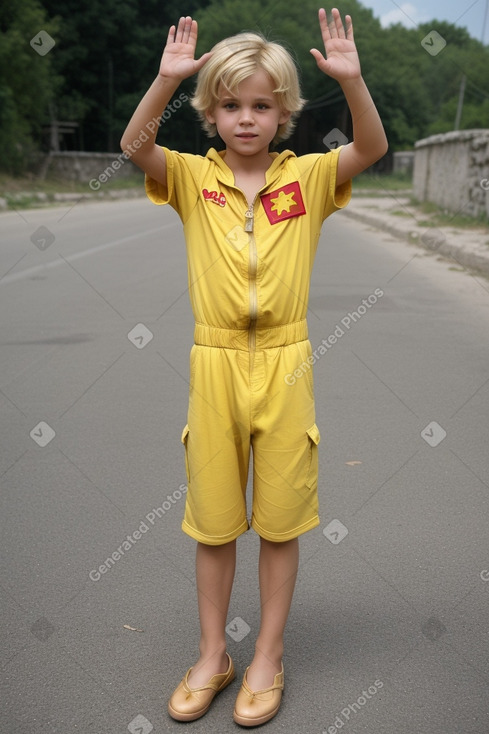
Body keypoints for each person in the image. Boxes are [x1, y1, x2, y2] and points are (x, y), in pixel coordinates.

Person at [121, 7, 387, 726]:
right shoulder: (185, 176)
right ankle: (213, 654)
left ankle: (266, 653)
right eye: (231, 105)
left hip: (285, 367)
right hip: (213, 366)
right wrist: (165, 78)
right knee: (212, 525)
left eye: (261, 106)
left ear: (283, 114)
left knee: (278, 523)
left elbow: (370, 144)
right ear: (209, 112)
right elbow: (134, 142)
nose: (245, 119)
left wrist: (354, 81)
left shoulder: (307, 179)